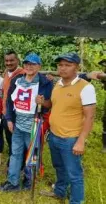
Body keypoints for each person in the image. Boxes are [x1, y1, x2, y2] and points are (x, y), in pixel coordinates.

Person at [40, 53, 96, 203]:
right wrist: (43, 102)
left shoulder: (86, 87)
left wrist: (81, 141)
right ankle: (59, 192)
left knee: (74, 174)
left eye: (67, 65)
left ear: (77, 67)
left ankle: (76, 201)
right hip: (54, 135)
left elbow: (90, 117)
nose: (62, 68)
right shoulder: (57, 85)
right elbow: (53, 105)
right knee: (59, 167)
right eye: (60, 65)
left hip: (71, 139)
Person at [0, 53, 53, 192]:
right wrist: (9, 119)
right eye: (27, 64)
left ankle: (28, 181)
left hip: (34, 127)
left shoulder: (45, 83)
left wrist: (43, 102)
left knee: (32, 157)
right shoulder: (17, 81)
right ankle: (13, 182)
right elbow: (10, 102)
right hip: (17, 126)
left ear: (39, 66)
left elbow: (50, 104)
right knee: (15, 154)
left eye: (33, 64)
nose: (29, 67)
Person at [1, 50, 25, 163]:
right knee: (9, 139)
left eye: (12, 60)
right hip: (6, 113)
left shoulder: (23, 74)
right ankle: (13, 159)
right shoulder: (6, 73)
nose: (9, 63)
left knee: (18, 141)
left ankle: (20, 163)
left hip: (17, 114)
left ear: (17, 60)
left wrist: (48, 78)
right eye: (6, 60)